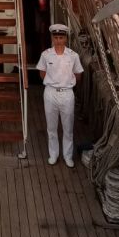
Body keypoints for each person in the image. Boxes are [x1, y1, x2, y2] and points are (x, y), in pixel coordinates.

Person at [37, 23, 84, 168]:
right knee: (51, 128)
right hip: (50, 93)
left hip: (67, 93)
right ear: (52, 38)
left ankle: (67, 156)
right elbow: (42, 73)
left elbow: (78, 74)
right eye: (56, 37)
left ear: (66, 38)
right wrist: (53, 83)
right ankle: (53, 154)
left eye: (61, 37)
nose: (58, 40)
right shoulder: (45, 54)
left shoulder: (73, 56)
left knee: (68, 128)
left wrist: (67, 83)